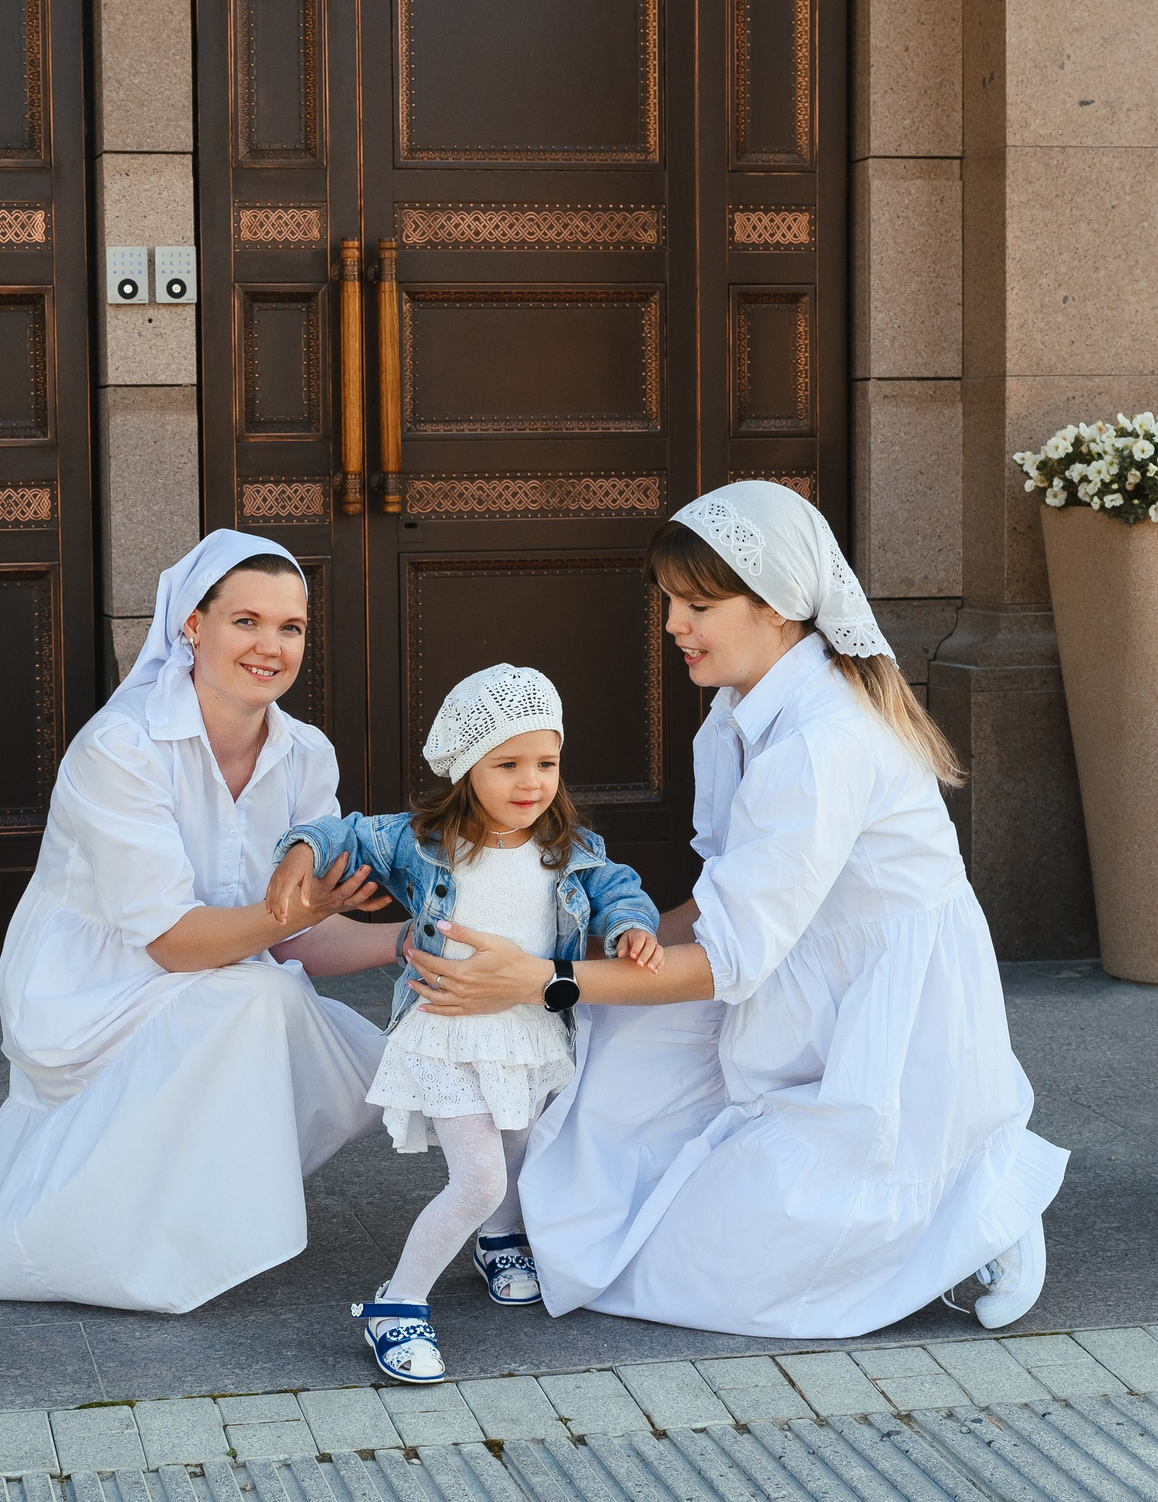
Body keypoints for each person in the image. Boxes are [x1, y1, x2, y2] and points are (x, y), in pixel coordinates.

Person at [405, 482, 1068, 1339]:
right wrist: (592, 950)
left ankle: (982, 1193)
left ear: (782, 610)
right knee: (607, 1064)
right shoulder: (737, 712)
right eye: (672, 602)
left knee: (703, 1266)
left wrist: (542, 981)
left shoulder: (821, 744)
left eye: (700, 604)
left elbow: (726, 962)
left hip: (882, 1011)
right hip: (790, 964)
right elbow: (722, 901)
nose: (675, 623)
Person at [0, 530, 397, 1313]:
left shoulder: (308, 755)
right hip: (92, 991)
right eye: (246, 621)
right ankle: (141, 1251)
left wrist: (408, 941)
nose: (269, 647)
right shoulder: (122, 747)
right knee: (264, 1003)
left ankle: (187, 1220)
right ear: (191, 626)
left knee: (340, 1047)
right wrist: (292, 915)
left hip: (223, 974)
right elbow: (177, 943)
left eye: (291, 627)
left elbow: (301, 939)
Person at [265, 665, 662, 1382]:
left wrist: (632, 926)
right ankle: (398, 1302)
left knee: (514, 1147)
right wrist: (303, 850)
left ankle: (499, 1240)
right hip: (446, 1033)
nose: (530, 781)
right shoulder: (423, 842)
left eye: (546, 762)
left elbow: (618, 890)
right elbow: (343, 832)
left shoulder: (568, 850)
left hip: (525, 1030)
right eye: (507, 763)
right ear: (465, 769)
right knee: (477, 1178)